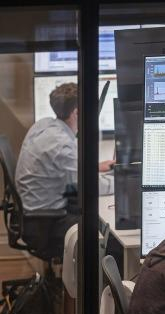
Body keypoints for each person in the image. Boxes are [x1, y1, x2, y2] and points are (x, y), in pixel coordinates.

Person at [15, 82, 114, 253]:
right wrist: (123, 183)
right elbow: (92, 187)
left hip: (33, 215)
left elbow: (59, 167)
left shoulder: (43, 125)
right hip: (45, 224)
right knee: (109, 241)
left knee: (91, 215)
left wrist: (94, 167)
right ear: (76, 113)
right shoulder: (61, 144)